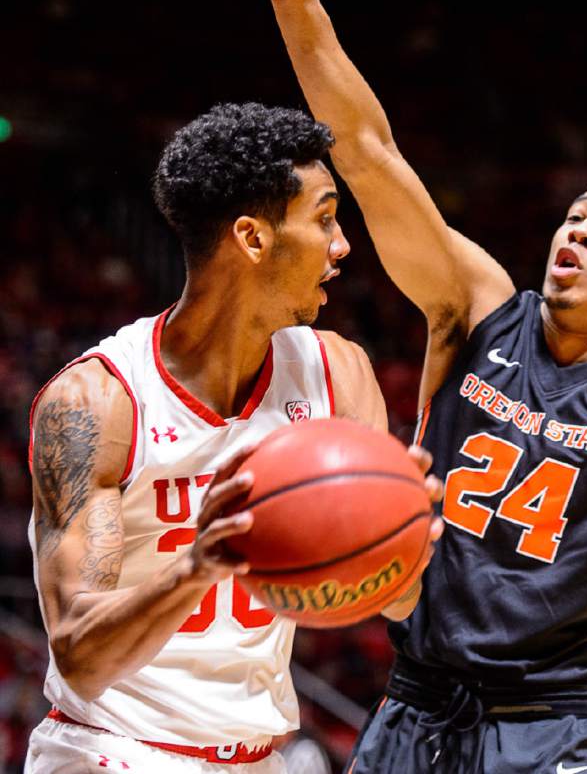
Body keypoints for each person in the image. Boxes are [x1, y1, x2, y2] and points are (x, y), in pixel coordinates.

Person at [204, 0, 587, 772]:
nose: (577, 230)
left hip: (547, 719)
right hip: (412, 702)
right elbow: (368, 155)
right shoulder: (480, 305)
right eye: (574, 214)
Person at [25, 102, 443, 774]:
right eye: (325, 217)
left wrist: (403, 541)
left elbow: (395, 599)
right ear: (252, 238)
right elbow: (80, 656)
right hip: (109, 752)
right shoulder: (99, 402)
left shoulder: (337, 373)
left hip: (259, 757)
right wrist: (200, 564)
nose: (341, 246)